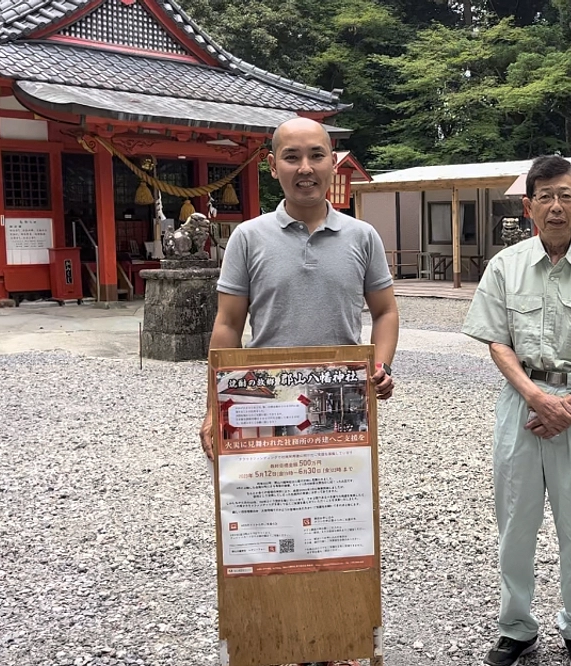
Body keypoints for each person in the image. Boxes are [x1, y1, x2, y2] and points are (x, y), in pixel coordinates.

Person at [198, 116, 397, 666]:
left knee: (338, 527)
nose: (305, 168)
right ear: (272, 166)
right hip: (266, 407)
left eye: (316, 155)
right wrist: (214, 409)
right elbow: (226, 326)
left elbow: (384, 311)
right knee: (268, 527)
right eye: (292, 157)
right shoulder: (248, 237)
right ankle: (275, 640)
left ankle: (339, 639)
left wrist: (379, 366)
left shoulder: (362, 236)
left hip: (341, 412)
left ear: (334, 162)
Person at [462, 155, 571, 666]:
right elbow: (497, 341)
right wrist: (537, 397)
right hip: (521, 405)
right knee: (515, 522)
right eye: (545, 196)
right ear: (529, 206)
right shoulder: (505, 266)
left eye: (566, 195)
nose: (556, 206)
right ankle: (516, 625)